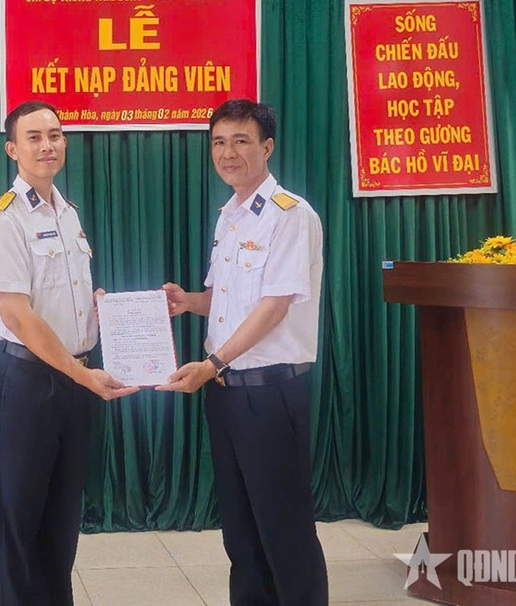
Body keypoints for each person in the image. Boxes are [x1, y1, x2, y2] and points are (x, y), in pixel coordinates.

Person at [157, 99, 328, 605]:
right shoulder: (230, 216)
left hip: (269, 394)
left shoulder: (290, 216)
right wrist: (189, 302)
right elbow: (228, 299)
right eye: (218, 142)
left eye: (241, 141)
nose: (228, 153)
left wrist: (212, 362)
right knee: (240, 530)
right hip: (226, 393)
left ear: (267, 147)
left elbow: (274, 306)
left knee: (284, 529)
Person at [0, 100, 138, 606]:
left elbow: (64, 298)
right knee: (22, 520)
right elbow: (19, 316)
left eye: (55, 135)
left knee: (63, 518)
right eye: (34, 137)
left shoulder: (68, 213)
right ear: (12, 150)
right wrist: (81, 375)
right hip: (29, 384)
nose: (48, 146)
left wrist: (99, 310)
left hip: (75, 380)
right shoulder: (3, 220)